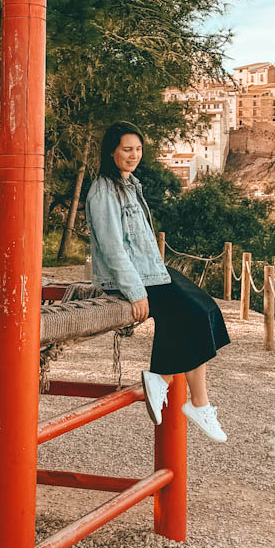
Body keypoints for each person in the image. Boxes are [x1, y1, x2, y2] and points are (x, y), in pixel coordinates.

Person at [84, 120, 230, 442]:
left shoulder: (129, 185)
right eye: (127, 149)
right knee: (191, 312)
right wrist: (135, 292)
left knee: (204, 309)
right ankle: (185, 394)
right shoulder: (103, 190)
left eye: (138, 149)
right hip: (128, 278)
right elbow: (112, 247)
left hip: (150, 270)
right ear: (111, 151)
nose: (134, 155)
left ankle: (166, 383)